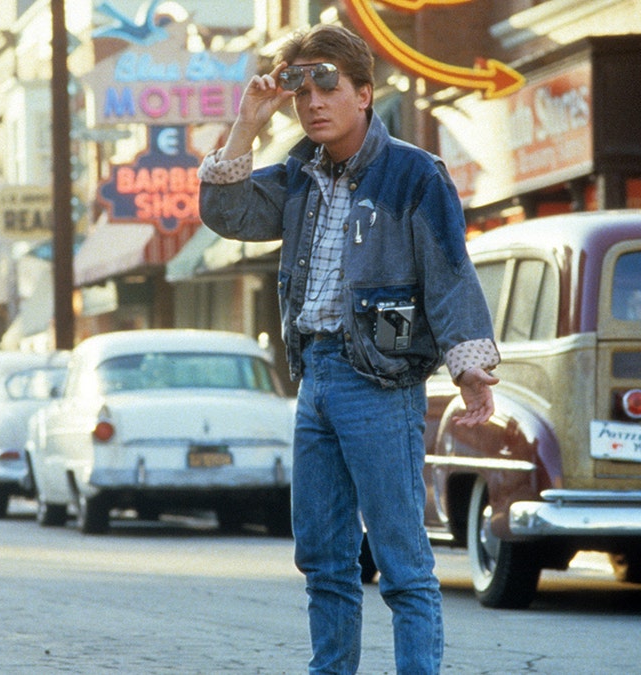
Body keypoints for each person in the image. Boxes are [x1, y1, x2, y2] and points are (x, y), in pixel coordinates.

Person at [197, 23, 499, 675]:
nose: (312, 100)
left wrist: (470, 366)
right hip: (317, 383)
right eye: (300, 87)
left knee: (402, 565)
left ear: (365, 93)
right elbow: (228, 215)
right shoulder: (300, 172)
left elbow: (449, 270)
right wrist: (248, 120)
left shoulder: (414, 175)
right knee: (324, 561)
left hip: (383, 387)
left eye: (327, 83)